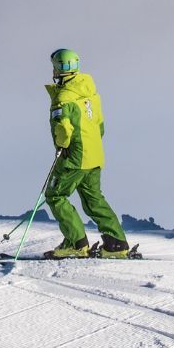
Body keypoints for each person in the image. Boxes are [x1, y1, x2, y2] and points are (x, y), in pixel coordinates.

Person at [42, 47, 135, 259]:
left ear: (56, 68)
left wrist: (62, 146)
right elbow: (99, 124)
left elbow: (63, 128)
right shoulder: (90, 90)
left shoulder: (63, 97)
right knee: (93, 198)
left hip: (75, 155)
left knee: (56, 195)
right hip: (94, 154)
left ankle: (76, 243)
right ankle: (116, 244)